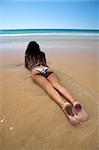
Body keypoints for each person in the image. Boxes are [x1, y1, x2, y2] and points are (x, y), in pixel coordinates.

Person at [25, 41, 89, 126]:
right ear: (38, 47)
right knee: (58, 85)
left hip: (36, 69)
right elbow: (45, 62)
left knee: (48, 87)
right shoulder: (42, 54)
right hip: (46, 68)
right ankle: (74, 102)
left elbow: (27, 66)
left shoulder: (28, 56)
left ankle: (63, 105)